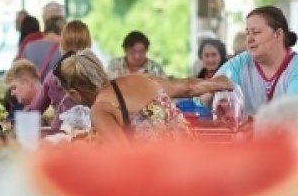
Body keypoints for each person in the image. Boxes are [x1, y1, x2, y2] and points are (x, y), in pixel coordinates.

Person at [57, 50, 230, 140]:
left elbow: (122, 157)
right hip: (190, 161)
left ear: (75, 93)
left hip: (162, 176)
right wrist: (218, 83)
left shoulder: (100, 109)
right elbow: (187, 87)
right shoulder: (139, 79)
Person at [214, 7, 298, 114]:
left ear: (278, 34)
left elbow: (295, 115)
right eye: (247, 33)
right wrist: (212, 87)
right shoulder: (240, 63)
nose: (249, 39)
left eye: (256, 32)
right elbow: (205, 99)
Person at [26, 20, 92, 118]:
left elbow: (34, 111)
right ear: (89, 45)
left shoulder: (54, 76)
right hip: (93, 130)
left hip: (60, 130)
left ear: (62, 45)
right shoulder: (98, 75)